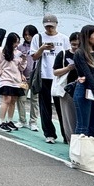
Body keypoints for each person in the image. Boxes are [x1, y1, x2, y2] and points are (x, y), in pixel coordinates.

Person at [71, 24, 94, 164]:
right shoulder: (80, 53)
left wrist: (90, 78)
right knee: (82, 124)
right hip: (85, 89)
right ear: (88, 36)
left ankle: (93, 156)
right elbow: (86, 73)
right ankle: (80, 156)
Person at [32, 14, 67, 143]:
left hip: (59, 77)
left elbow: (68, 56)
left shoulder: (64, 38)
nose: (49, 29)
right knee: (45, 106)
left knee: (61, 107)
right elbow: (34, 57)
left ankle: (66, 134)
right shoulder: (38, 37)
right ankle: (49, 134)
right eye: (47, 26)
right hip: (44, 76)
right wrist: (42, 48)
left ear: (56, 24)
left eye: (51, 26)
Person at [0, 32, 27, 131]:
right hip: (5, 79)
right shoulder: (0, 51)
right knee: (6, 100)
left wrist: (24, 60)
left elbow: (21, 67)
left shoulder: (18, 53)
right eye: (15, 42)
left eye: (18, 42)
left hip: (16, 79)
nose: (17, 44)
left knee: (13, 101)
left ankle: (9, 121)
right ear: (10, 42)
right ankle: (1, 122)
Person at [52, 32, 82, 144]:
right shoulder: (63, 54)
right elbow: (55, 71)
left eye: (78, 45)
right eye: (73, 44)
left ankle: (80, 140)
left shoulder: (85, 54)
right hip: (67, 89)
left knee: (81, 116)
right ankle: (70, 140)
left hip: (81, 88)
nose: (75, 47)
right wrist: (68, 68)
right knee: (68, 117)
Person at [15, 24, 40, 130]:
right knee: (21, 98)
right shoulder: (20, 47)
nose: (27, 37)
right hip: (24, 77)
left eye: (30, 35)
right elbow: (16, 63)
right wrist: (20, 75)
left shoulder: (39, 46)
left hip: (36, 78)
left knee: (35, 100)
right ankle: (22, 120)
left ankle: (33, 122)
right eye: (25, 35)